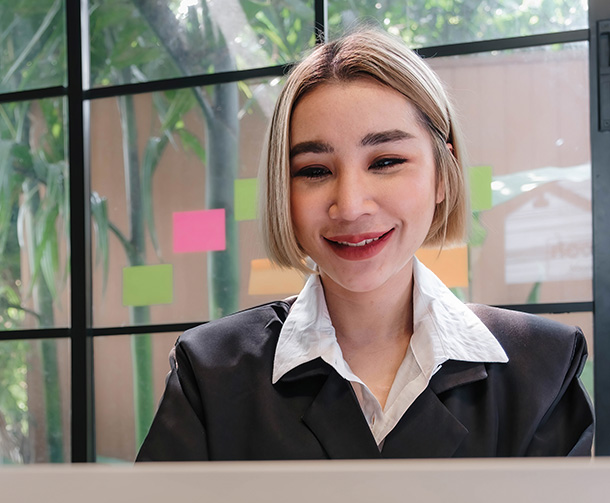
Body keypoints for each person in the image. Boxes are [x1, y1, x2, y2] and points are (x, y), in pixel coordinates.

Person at [136, 28, 594, 461]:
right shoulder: (211, 371)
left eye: (386, 161)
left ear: (443, 173)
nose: (350, 206)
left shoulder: (542, 368)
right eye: (314, 170)